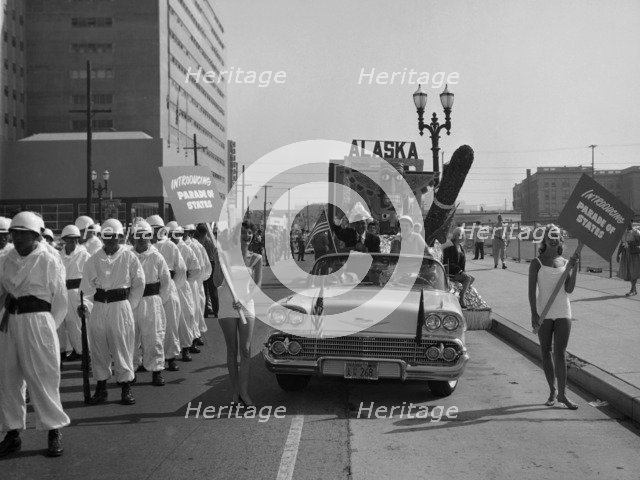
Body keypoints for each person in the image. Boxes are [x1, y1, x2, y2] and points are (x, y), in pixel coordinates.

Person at [0, 211, 69, 457]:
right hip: (10, 322)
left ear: (35, 235)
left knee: (43, 376)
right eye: (14, 234)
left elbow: (60, 300)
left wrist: (47, 326)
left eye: (23, 234)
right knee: (7, 378)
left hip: (38, 321)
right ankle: (12, 432)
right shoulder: (5, 258)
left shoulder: (49, 259)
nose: (17, 239)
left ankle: (53, 429)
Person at [79, 218, 145, 405]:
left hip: (120, 306)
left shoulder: (129, 257)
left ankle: (126, 387)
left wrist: (128, 305)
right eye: (106, 237)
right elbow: (86, 287)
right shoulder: (93, 259)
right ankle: (101, 389)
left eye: (114, 237)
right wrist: (85, 304)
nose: (110, 242)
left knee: (122, 346)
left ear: (121, 237)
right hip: (99, 306)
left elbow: (139, 283)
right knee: (98, 347)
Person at [528, 224, 580, 410]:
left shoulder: (566, 262)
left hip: (563, 311)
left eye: (556, 235)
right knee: (545, 352)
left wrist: (574, 269)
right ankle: (552, 391)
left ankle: (563, 395)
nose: (553, 238)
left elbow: (569, 289)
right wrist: (534, 312)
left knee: (560, 353)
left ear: (560, 239)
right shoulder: (537, 262)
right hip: (544, 312)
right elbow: (531, 291)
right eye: (550, 235)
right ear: (545, 238)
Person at [219, 221, 262, 406]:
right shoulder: (226, 256)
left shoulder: (257, 258)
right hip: (228, 306)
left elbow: (257, 285)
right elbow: (216, 282)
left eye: (250, 232)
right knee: (232, 350)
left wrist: (244, 301)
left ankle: (244, 392)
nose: (247, 236)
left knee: (245, 350)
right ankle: (235, 392)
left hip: (246, 305)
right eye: (243, 232)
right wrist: (216, 259)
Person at [131, 221, 171, 386]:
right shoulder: (127, 255)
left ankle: (156, 370)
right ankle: (130, 370)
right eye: (138, 235)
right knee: (130, 337)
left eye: (145, 235)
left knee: (154, 336)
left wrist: (158, 300)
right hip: (132, 301)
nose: (142, 239)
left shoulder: (156, 256)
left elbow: (166, 282)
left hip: (151, 300)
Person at [146, 215, 186, 372]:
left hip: (168, 291)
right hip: (150, 294)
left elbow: (181, 270)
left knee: (170, 326)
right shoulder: (142, 248)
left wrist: (172, 287)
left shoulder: (170, 246)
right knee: (150, 328)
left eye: (156, 229)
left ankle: (170, 358)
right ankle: (150, 358)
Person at [166, 222, 201, 361]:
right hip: (168, 288)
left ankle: (186, 348)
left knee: (186, 317)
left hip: (182, 287)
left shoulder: (186, 249)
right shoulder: (165, 247)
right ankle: (170, 353)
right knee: (170, 321)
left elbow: (196, 269)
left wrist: (186, 282)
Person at [58, 225, 92, 362]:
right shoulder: (58, 255)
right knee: (63, 324)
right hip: (62, 292)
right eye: (69, 239)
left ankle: (86, 354)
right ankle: (73, 351)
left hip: (78, 293)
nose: (71, 242)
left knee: (79, 324)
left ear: (78, 239)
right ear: (64, 239)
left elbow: (90, 276)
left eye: (74, 239)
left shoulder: (84, 255)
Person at [184, 224, 212, 348]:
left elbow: (203, 267)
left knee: (195, 311)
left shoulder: (197, 246)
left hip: (194, 284)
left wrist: (197, 283)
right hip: (181, 286)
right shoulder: (174, 246)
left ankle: (195, 336)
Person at [442, 227, 475, 309]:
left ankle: (460, 292)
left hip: (458, 272)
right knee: (467, 279)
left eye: (461, 235)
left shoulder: (460, 246)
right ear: (454, 235)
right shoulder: (450, 246)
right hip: (451, 272)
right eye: (458, 234)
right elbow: (448, 262)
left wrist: (462, 272)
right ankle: (461, 297)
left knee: (472, 278)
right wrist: (460, 271)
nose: (460, 236)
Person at [194, 223, 220, 318]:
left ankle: (205, 311)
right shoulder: (211, 241)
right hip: (211, 264)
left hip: (205, 265)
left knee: (205, 289)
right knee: (212, 289)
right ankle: (216, 311)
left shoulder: (198, 242)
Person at [616, 222, 640, 296]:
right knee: (629, 272)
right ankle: (634, 289)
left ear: (631, 222)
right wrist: (618, 254)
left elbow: (639, 242)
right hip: (625, 254)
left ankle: (632, 289)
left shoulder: (635, 232)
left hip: (633, 254)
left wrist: (631, 243)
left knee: (634, 271)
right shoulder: (624, 232)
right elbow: (621, 244)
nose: (628, 223)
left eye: (629, 222)